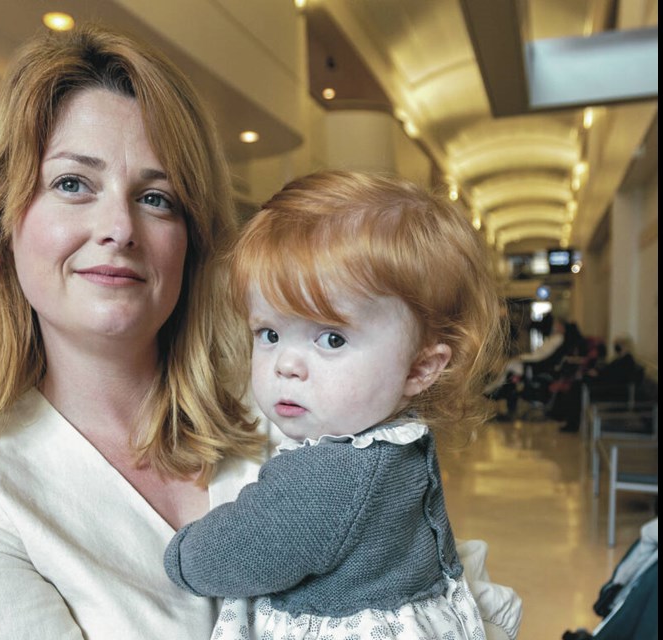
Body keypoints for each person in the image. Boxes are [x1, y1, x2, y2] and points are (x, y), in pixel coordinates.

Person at [0, 24, 270, 639]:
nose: (119, 228)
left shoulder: (284, 410)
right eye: (72, 184)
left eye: (156, 198)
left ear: (192, 241)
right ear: (1, 227)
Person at [163, 171, 521, 639]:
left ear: (419, 368)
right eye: (269, 333)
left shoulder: (331, 477)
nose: (286, 364)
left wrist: (183, 555)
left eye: (331, 338)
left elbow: (235, 552)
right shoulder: (402, 444)